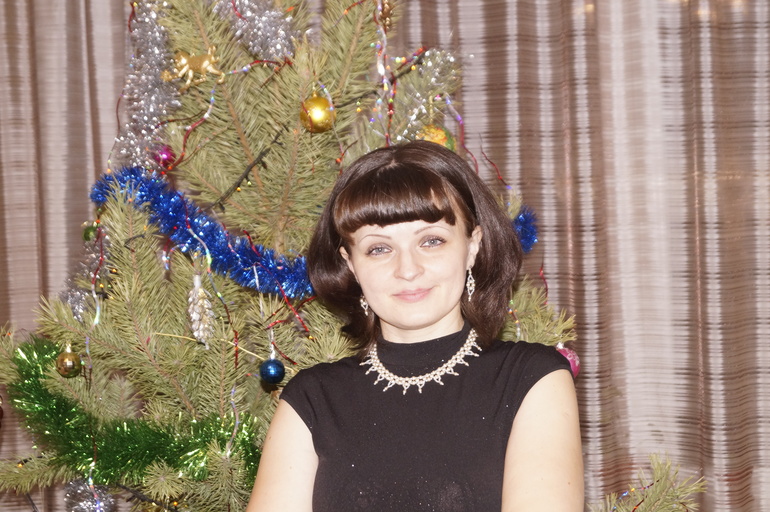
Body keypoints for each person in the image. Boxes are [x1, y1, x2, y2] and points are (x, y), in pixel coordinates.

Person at [246, 140, 583, 511]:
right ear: (351, 264)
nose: (407, 269)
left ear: (472, 246)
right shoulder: (311, 399)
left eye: (431, 241)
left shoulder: (532, 378)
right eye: (379, 248)